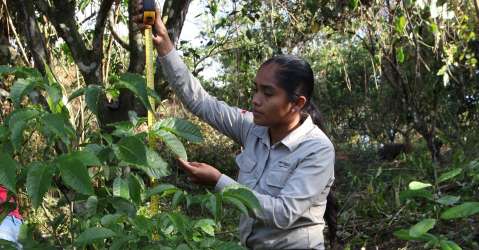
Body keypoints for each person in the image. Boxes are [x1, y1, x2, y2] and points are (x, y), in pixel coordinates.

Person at [135, 2, 337, 249]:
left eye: (268, 93)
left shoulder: (316, 149)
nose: (256, 99)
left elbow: (283, 213)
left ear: (297, 103)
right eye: (256, 89)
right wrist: (165, 44)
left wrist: (219, 180)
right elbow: (201, 102)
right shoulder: (253, 128)